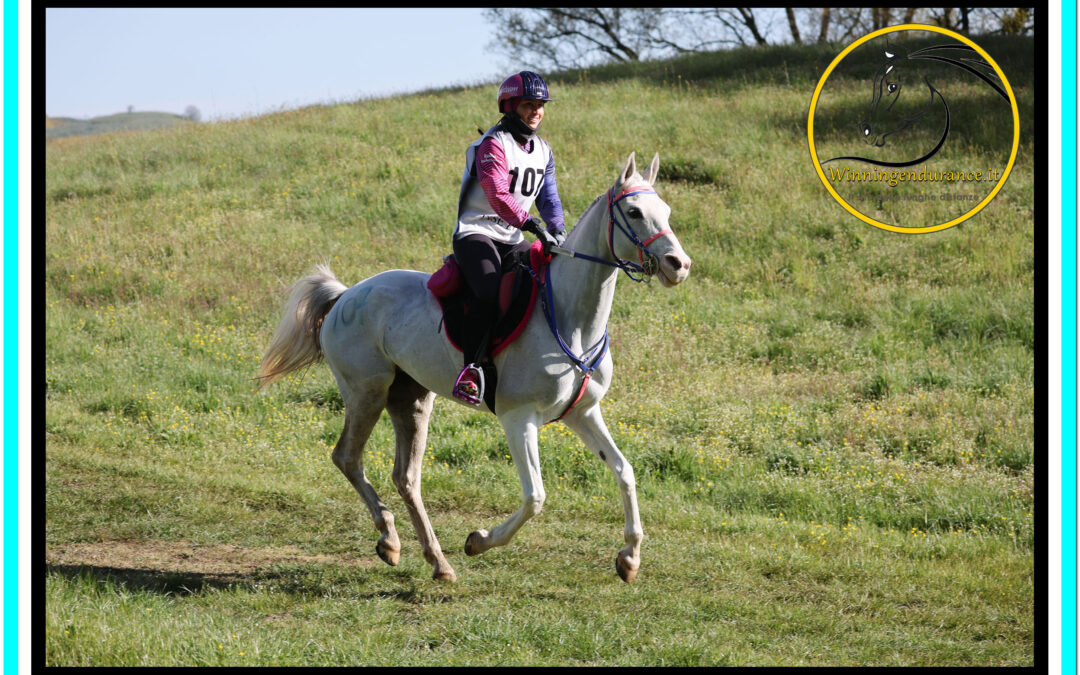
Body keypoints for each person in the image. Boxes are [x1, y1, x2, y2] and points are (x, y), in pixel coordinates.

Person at [451, 70, 567, 405]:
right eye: (529, 104)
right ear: (510, 106)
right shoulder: (493, 144)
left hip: (514, 236)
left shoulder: (543, 150)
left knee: (543, 283)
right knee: (487, 291)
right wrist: (533, 226)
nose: (536, 111)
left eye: (541, 105)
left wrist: (556, 228)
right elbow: (497, 193)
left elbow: (550, 199)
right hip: (477, 233)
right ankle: (470, 370)